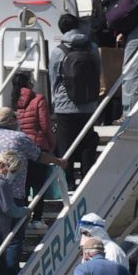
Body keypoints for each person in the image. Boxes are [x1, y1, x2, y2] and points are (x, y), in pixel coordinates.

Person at [0, 107, 67, 275]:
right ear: (10, 122)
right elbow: (39, 156)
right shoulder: (20, 138)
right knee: (13, 239)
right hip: (13, 196)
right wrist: (58, 161)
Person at [51, 13, 101, 186]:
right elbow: (98, 72)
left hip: (65, 106)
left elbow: (54, 80)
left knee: (65, 144)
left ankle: (69, 181)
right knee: (87, 140)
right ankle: (87, 177)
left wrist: (56, 101)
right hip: (88, 104)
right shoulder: (92, 47)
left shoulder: (58, 51)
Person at [11, 71, 55, 230]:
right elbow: (45, 125)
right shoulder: (38, 99)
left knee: (24, 185)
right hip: (37, 146)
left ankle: (23, 216)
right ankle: (36, 218)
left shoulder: (14, 101)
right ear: (29, 82)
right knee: (39, 186)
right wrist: (51, 144)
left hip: (21, 149)